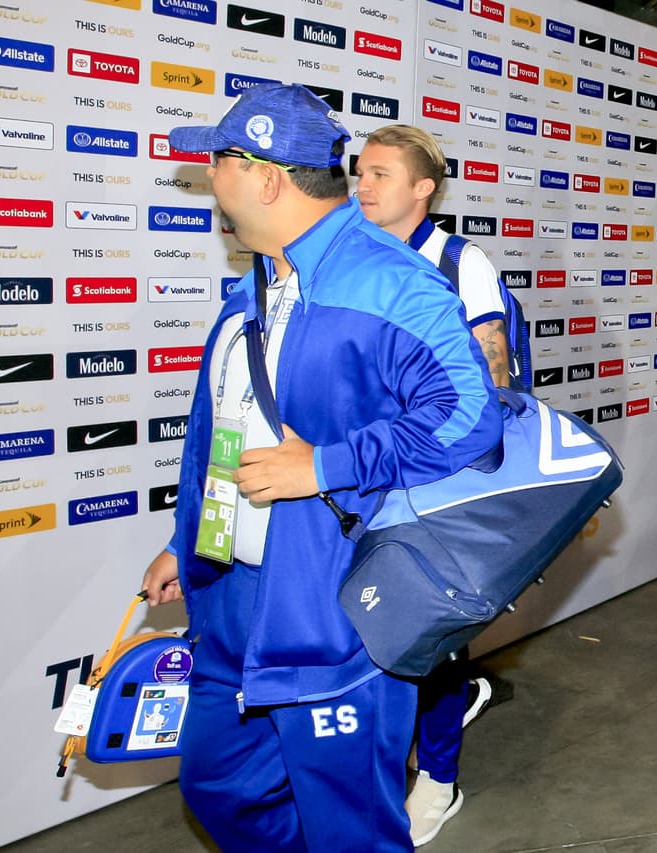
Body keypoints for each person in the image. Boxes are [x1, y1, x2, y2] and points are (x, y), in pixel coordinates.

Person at [140, 83, 503, 852]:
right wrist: (189, 538)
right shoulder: (255, 284)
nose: (210, 177)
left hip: (334, 608)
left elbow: (473, 416)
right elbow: (225, 427)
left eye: (221, 160)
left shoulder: (389, 280)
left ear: (267, 176)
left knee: (352, 828)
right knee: (218, 789)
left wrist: (329, 465)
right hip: (233, 597)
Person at [355, 124, 506, 847]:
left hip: (435, 486)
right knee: (368, 629)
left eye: (382, 173)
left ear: (424, 188)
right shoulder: (346, 257)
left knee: (434, 640)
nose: (363, 184)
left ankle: (437, 779)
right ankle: (384, 764)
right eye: (360, 171)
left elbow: (492, 373)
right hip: (356, 478)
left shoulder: (457, 261)